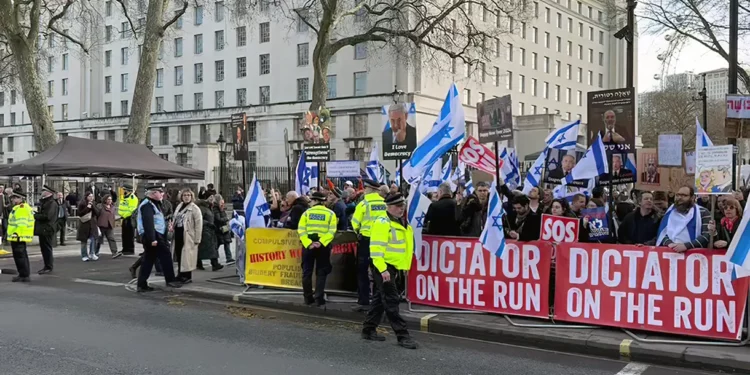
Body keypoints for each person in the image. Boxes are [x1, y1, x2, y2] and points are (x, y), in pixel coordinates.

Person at [361, 193, 417, 349]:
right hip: (384, 266)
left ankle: (368, 329)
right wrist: (383, 269)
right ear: (388, 207)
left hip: (394, 267)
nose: (401, 209)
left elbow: (406, 248)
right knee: (391, 301)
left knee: (380, 299)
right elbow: (376, 248)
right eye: (398, 206)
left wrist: (405, 268)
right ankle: (402, 336)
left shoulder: (402, 222)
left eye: (402, 206)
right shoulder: (382, 222)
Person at [351, 179, 388, 312]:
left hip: (366, 240)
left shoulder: (363, 204)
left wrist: (359, 232)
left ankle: (364, 301)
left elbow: (355, 223)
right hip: (382, 240)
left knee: (362, 271)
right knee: (378, 270)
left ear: (367, 189)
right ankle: (379, 301)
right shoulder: (384, 204)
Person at [136, 185, 182, 292]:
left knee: (148, 260)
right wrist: (152, 239)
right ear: (153, 193)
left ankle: (141, 284)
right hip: (154, 235)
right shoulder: (147, 205)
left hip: (155, 235)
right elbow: (148, 223)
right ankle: (170, 280)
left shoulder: (153, 203)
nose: (162, 194)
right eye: (159, 192)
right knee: (165, 256)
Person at [297, 191, 338, 306]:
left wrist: (308, 243)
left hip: (308, 246)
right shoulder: (331, 214)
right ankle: (319, 298)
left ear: (315, 201)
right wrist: (321, 242)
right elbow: (331, 231)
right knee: (321, 272)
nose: (309, 203)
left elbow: (301, 229)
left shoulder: (306, 213)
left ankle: (308, 298)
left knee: (306, 272)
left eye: (311, 200)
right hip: (323, 247)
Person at [657, 186, 712, 251]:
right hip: (670, 252)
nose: (680, 198)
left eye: (684, 195)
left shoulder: (703, 212)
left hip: (694, 255)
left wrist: (686, 246)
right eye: (678, 195)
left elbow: (707, 235)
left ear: (692, 197)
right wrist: (670, 244)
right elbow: (662, 232)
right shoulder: (670, 212)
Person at [171, 189, 202, 283]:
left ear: (192, 197)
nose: (187, 197)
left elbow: (199, 224)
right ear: (181, 197)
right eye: (184, 195)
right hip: (178, 233)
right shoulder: (179, 206)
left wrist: (197, 239)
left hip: (189, 235)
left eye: (189, 195)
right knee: (180, 255)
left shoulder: (194, 208)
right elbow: (175, 218)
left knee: (188, 257)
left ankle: (187, 276)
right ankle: (180, 274)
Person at [7, 191, 34, 282]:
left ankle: (24, 275)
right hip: (18, 236)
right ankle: (23, 274)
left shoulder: (21, 208)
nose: (12, 199)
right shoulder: (20, 207)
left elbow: (21, 224)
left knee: (20, 256)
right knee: (21, 256)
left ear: (20, 198)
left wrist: (17, 235)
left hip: (18, 236)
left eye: (14, 198)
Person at [35, 185, 59, 274]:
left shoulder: (51, 203)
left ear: (49, 193)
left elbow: (47, 216)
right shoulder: (46, 202)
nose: (42, 193)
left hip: (47, 228)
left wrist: (35, 215)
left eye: (44, 191)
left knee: (47, 248)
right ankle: (47, 265)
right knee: (44, 248)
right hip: (44, 228)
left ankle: (48, 266)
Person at [77, 192, 101, 261]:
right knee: (84, 241)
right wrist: (87, 208)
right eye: (89, 196)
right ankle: (84, 255)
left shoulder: (94, 203)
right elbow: (80, 214)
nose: (91, 198)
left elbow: (97, 213)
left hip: (92, 224)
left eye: (92, 196)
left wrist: (92, 206)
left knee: (93, 239)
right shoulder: (82, 204)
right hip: (84, 224)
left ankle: (92, 253)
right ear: (86, 197)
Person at [213, 195, 234, 265]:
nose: (222, 203)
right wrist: (226, 218)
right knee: (218, 244)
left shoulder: (221, 208)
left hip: (224, 228)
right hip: (220, 228)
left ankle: (229, 257)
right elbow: (218, 219)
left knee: (226, 243)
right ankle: (214, 259)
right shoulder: (215, 209)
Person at [118, 184, 138, 256]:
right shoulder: (123, 197)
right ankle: (125, 248)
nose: (122, 191)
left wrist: (124, 215)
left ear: (127, 190)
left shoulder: (133, 198)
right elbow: (121, 207)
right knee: (124, 234)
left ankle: (130, 249)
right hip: (124, 218)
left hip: (129, 218)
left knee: (130, 234)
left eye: (124, 189)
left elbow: (131, 209)